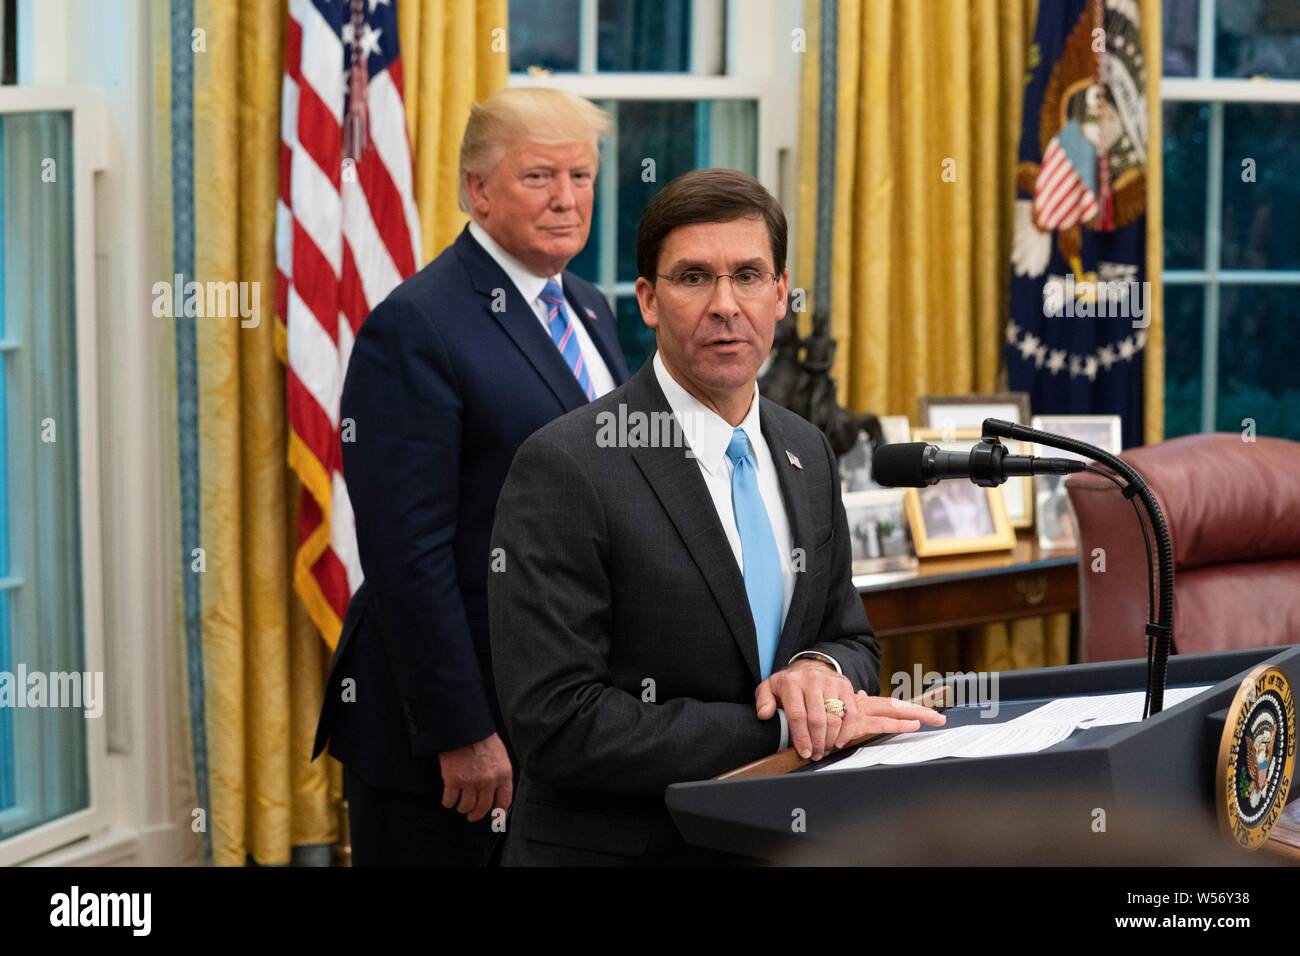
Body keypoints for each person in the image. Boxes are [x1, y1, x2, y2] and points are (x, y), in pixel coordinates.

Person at [488, 169, 944, 865]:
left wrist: (820, 670)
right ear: (647, 299)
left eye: (750, 276)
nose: (726, 305)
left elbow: (849, 635)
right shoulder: (568, 465)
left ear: (782, 294)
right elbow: (556, 721)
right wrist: (788, 733)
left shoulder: (805, 449)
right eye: (694, 277)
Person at [312, 88, 629, 865]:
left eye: (582, 177)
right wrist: (461, 728)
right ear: (476, 191)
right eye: (539, 177)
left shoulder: (589, 308)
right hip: (451, 735)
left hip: (562, 709)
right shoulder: (415, 326)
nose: (567, 200)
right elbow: (405, 553)